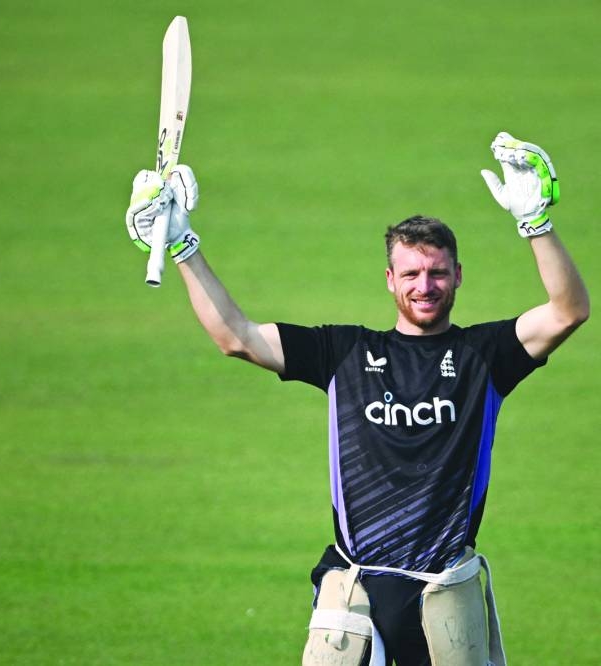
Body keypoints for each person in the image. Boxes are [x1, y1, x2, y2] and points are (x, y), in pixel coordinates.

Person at [124, 132, 589, 665]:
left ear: (458, 276)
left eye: (438, 272)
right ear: (390, 281)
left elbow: (568, 310)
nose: (425, 285)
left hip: (444, 598)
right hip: (356, 595)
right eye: (411, 273)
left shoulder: (485, 355)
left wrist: (537, 225)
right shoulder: (344, 352)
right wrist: (184, 248)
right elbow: (237, 337)